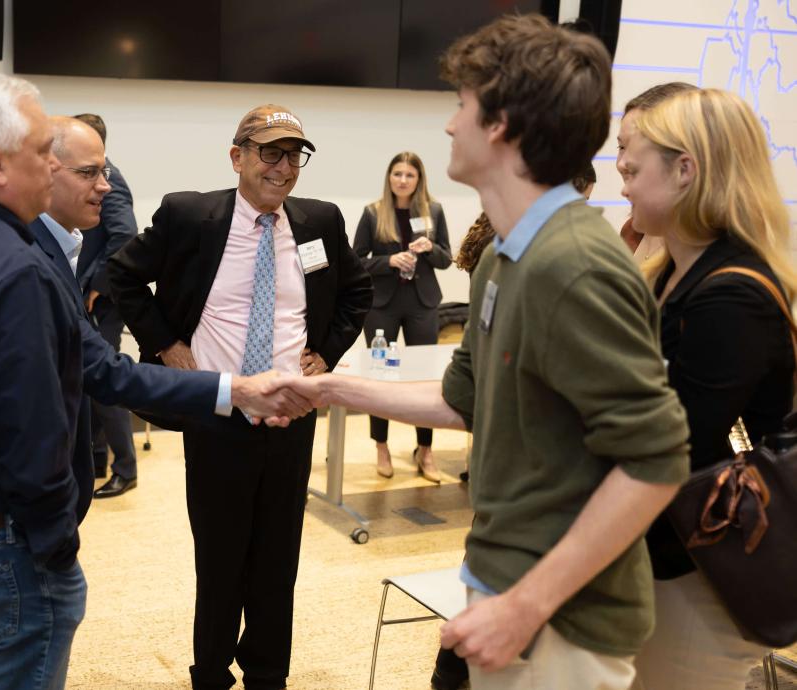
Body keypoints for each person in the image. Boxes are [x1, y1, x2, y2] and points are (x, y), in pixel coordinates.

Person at [283, 14, 691, 690]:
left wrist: (526, 606)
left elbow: (655, 460)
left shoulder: (575, 264)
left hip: (562, 624)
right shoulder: (506, 255)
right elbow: (459, 398)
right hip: (508, 590)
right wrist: (328, 389)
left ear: (500, 124)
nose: (449, 125)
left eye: (462, 105)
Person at [0, 73, 306, 690]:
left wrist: (230, 390)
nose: (53, 168)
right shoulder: (14, 269)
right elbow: (35, 431)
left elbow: (90, 370)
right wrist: (55, 548)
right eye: (41, 154)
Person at [109, 104, 372, 690]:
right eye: (269, 153)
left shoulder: (320, 221)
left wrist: (325, 353)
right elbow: (122, 275)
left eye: (294, 155)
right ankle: (210, 674)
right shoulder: (189, 217)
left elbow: (357, 291)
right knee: (221, 557)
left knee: (278, 561)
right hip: (218, 413)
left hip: (289, 418)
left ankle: (267, 676)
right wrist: (167, 345)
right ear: (238, 157)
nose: (283, 168)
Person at [617, 88, 797, 690]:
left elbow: (672, 447)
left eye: (633, 165)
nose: (621, 178)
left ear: (686, 171)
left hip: (702, 566)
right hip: (661, 556)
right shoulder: (671, 275)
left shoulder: (732, 294)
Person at [352, 151, 451, 482]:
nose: (403, 180)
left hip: (422, 302)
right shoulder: (373, 212)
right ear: (389, 177)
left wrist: (430, 249)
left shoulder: (433, 210)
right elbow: (356, 261)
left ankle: (425, 449)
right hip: (382, 304)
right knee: (381, 377)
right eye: (397, 174)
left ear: (419, 179)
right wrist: (389, 261)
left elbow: (446, 259)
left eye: (410, 175)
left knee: (426, 380)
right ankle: (381, 445)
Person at [71, 113, 141, 499]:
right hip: (86, 291)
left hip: (102, 297)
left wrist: (97, 286)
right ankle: (97, 457)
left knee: (105, 380)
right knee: (87, 382)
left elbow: (125, 237)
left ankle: (125, 469)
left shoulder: (110, 180)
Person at [615, 82, 696, 262]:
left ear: (684, 168)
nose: (622, 164)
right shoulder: (632, 232)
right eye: (621, 146)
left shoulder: (720, 266)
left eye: (638, 150)